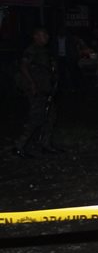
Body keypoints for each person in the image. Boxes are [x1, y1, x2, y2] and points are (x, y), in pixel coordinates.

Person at [14, 27, 57, 157]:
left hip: (45, 89)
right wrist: (32, 84)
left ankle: (45, 144)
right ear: (36, 36)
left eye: (47, 35)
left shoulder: (44, 51)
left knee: (50, 116)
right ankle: (19, 145)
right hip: (36, 89)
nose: (47, 37)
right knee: (35, 117)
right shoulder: (31, 50)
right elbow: (23, 66)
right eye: (43, 35)